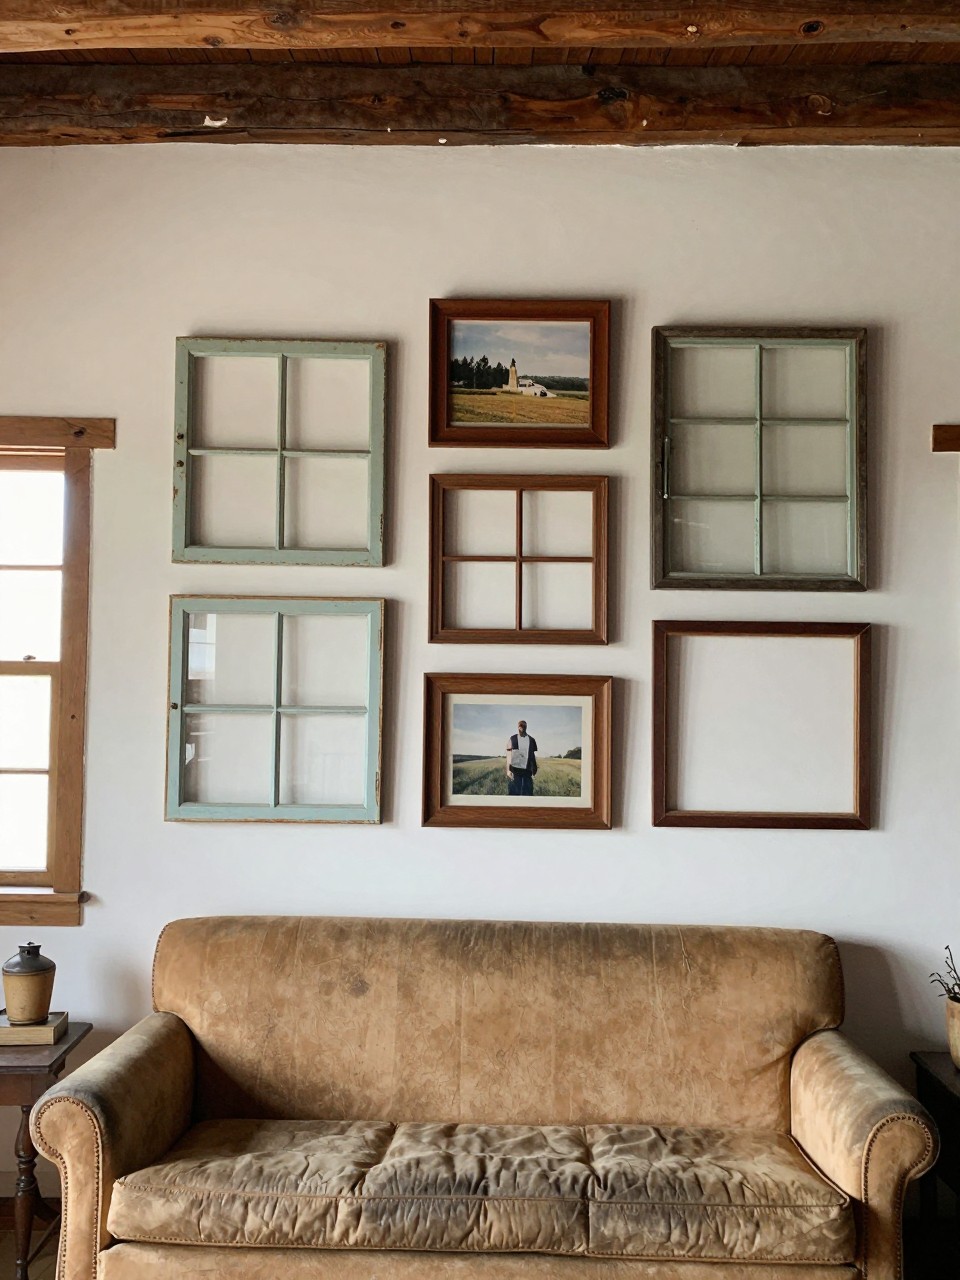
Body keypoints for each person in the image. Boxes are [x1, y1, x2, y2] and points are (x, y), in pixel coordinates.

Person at [505, 720, 538, 797]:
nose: (521, 728)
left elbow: (533, 756)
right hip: (514, 772)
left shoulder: (532, 740)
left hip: (527, 772)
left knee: (528, 796)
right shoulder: (512, 738)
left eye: (523, 726)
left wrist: (534, 770)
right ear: (518, 727)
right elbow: (509, 755)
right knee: (513, 796)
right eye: (520, 726)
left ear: (526, 727)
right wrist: (508, 771)